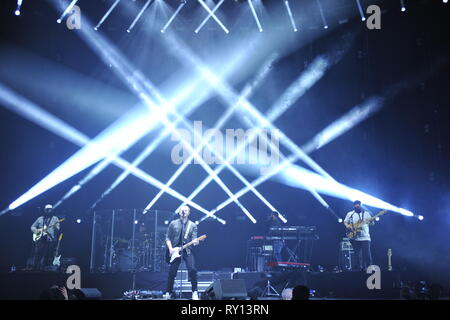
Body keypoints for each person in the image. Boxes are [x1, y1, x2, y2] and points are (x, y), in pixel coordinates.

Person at [163, 205, 199, 300]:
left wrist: (196, 242)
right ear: (179, 212)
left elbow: (194, 239)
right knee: (172, 272)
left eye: (186, 210)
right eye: (182, 210)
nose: (184, 212)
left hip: (187, 251)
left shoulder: (193, 225)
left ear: (189, 213)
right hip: (175, 251)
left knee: (192, 269)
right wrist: (170, 249)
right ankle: (168, 292)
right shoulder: (173, 224)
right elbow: (167, 237)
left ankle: (194, 291)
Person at [344, 200, 373, 271]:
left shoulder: (366, 213)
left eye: (358, 205)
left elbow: (372, 223)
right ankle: (358, 269)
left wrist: (371, 221)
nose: (357, 206)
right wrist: (348, 226)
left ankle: (369, 268)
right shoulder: (350, 214)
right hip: (355, 237)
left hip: (365, 237)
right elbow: (345, 221)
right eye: (355, 205)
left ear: (361, 205)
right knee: (357, 255)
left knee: (367, 254)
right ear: (354, 206)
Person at [30, 204, 60, 270]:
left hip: (50, 239)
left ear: (52, 210)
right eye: (47, 209)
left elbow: (58, 228)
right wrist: (37, 230)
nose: (49, 211)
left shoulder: (55, 218)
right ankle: (35, 268)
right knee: (37, 253)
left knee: (47, 255)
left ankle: (44, 269)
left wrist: (55, 226)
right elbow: (32, 227)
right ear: (45, 210)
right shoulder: (40, 218)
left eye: (50, 209)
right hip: (40, 239)